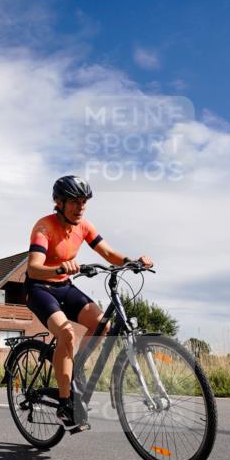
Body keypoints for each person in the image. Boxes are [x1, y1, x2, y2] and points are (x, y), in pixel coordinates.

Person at [25, 175, 153, 426]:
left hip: (65, 286)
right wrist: (59, 268)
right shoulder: (43, 227)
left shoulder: (84, 226)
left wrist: (132, 262)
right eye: (74, 201)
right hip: (39, 287)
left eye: (84, 201)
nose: (80, 207)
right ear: (59, 202)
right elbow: (33, 268)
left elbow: (106, 252)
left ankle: (76, 369)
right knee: (67, 334)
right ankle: (64, 404)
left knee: (102, 325)